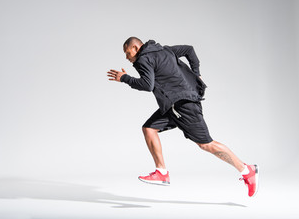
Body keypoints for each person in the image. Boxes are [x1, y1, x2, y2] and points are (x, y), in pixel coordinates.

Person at [107, 37, 259, 197]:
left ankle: (247, 171)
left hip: (183, 106)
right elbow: (189, 50)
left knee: (206, 144)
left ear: (136, 48)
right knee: (149, 128)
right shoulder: (165, 50)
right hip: (174, 105)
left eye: (127, 52)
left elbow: (147, 85)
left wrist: (124, 78)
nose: (127, 57)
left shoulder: (143, 59)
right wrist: (197, 74)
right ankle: (161, 172)